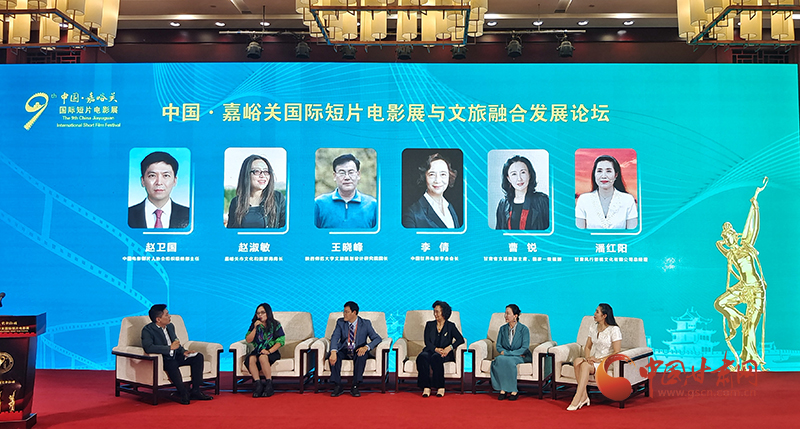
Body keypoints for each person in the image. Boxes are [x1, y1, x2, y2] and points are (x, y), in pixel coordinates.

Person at [714, 177, 768, 370]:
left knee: (750, 328)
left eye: (730, 234)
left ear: (736, 235)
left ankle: (748, 362)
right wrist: (726, 237)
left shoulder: (746, 245)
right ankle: (738, 318)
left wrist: (755, 203)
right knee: (720, 303)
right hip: (742, 288)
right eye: (725, 236)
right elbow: (718, 244)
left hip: (756, 290)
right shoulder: (730, 253)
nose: (727, 238)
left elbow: (752, 226)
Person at [141, 304, 212, 405]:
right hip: (164, 359)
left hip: (175, 356)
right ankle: (183, 393)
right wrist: (169, 348)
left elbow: (176, 342)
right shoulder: (148, 330)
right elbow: (148, 347)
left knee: (198, 356)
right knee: (172, 363)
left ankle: (196, 390)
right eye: (167, 314)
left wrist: (183, 351)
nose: (170, 316)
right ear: (158, 319)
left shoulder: (170, 326)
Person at [568, 303, 621, 411]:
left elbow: (617, 352)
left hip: (606, 361)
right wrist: (588, 358)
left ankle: (577, 398)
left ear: (604, 315)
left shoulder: (614, 329)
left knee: (585, 366)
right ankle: (584, 396)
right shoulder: (593, 327)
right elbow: (588, 346)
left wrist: (599, 360)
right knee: (577, 361)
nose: (594, 314)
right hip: (594, 359)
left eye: (597, 312)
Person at [328, 301, 382, 397]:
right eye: (343, 311)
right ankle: (338, 386)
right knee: (334, 356)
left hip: (358, 349)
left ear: (354, 312)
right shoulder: (340, 322)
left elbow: (377, 338)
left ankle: (355, 385)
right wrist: (333, 351)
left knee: (361, 355)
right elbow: (335, 337)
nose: (344, 314)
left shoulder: (365, 323)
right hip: (344, 349)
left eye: (346, 312)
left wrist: (366, 347)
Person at [128, 151, 190, 229]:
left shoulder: (189, 215)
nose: (159, 182)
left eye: (166, 175)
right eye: (152, 176)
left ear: (175, 181)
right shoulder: (127, 215)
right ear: (143, 181)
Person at [314, 154, 377, 229]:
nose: (347, 177)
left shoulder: (372, 205)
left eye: (351, 172)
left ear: (358, 175)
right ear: (334, 176)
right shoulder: (319, 204)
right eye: (342, 173)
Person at [575, 154, 637, 229]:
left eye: (608, 171)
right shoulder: (583, 200)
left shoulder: (628, 200)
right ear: (594, 174)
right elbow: (579, 233)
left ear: (616, 175)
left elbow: (632, 233)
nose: (603, 176)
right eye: (599, 171)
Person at [416, 300, 464, 397]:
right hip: (431, 350)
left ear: (444, 313)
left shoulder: (450, 326)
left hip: (444, 353)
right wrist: (436, 349)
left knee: (436, 358)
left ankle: (440, 387)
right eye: (434, 311)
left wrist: (449, 348)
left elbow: (460, 339)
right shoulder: (429, 325)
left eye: (437, 311)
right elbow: (427, 342)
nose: (435, 314)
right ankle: (426, 386)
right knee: (422, 357)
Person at [227, 155, 286, 228]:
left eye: (266, 171)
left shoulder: (278, 198)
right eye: (257, 171)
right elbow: (231, 232)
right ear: (246, 174)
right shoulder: (236, 202)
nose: (263, 175)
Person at [402, 153, 460, 228]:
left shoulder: (449, 207)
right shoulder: (412, 214)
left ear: (449, 177)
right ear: (424, 177)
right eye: (432, 174)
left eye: (443, 174)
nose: (437, 180)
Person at [494, 155, 549, 230]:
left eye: (523, 172)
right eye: (514, 174)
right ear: (508, 178)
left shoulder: (542, 200)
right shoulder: (503, 204)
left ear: (529, 174)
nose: (519, 178)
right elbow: (499, 233)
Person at [490, 304, 531, 401]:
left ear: (515, 316)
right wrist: (505, 353)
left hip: (521, 356)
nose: (505, 316)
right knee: (499, 359)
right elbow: (498, 346)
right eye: (505, 313)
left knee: (508, 361)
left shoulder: (524, 329)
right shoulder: (502, 329)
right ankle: (503, 389)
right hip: (508, 355)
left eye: (508, 313)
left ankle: (513, 390)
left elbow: (524, 348)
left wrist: (507, 353)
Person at [245, 303, 285, 398]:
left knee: (263, 357)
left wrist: (269, 351)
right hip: (258, 350)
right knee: (251, 359)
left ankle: (269, 385)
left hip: (271, 351)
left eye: (262, 312)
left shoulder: (275, 325)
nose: (260, 315)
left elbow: (280, 342)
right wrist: (255, 328)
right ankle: (258, 385)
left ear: (268, 313)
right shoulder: (254, 325)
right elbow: (248, 339)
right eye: (258, 313)